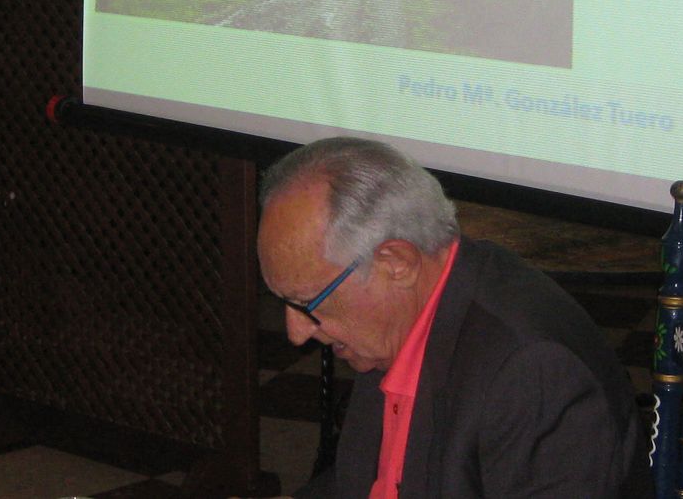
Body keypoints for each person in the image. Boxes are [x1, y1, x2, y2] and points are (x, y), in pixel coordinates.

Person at [256, 137, 648, 498]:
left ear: (396, 263)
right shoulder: (393, 323)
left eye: (306, 303)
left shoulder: (533, 374)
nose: (296, 332)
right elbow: (359, 482)